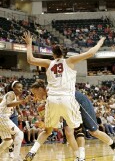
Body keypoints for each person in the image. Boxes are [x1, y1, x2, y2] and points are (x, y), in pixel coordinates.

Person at [23, 31, 105, 161]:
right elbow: (90, 53)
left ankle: (32, 151)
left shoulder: (48, 63)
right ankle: (80, 157)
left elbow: (30, 60)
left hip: (52, 99)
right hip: (67, 99)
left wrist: (28, 45)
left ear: (53, 54)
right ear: (64, 53)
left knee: (47, 131)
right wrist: (100, 42)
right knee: (75, 131)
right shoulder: (70, 60)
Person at [23, 80, 115, 161]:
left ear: (40, 89)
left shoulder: (51, 90)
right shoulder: (48, 97)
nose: (35, 96)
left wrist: (43, 108)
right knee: (69, 132)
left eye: (35, 93)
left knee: (94, 132)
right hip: (67, 107)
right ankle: (79, 157)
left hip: (79, 101)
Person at [0, 81, 26, 161]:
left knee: (8, 140)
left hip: (3, 118)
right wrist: (23, 101)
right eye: (18, 87)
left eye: (21, 88)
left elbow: (16, 105)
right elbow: (8, 104)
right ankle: (16, 158)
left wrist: (19, 112)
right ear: (13, 88)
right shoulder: (11, 93)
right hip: (2, 117)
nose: (20, 89)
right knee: (19, 134)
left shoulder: (14, 96)